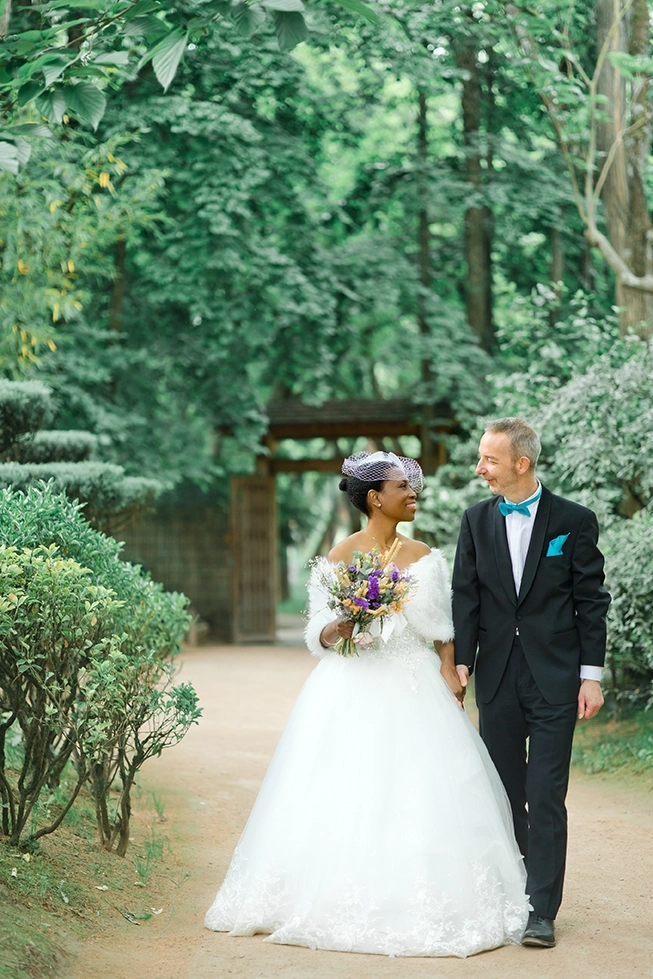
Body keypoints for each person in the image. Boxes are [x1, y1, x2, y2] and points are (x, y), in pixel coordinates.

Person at [206, 451, 529, 958]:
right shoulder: (339, 556)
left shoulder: (426, 556)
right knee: (343, 785)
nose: (413, 493)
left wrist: (450, 669)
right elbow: (318, 633)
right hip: (350, 683)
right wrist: (349, 620)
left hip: (413, 683)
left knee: (423, 787)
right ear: (376, 497)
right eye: (404, 487)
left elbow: (444, 626)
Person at [451, 418, 610, 949]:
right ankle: (512, 890)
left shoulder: (575, 521)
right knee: (504, 791)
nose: (480, 469)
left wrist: (591, 677)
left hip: (556, 680)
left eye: (489, 460)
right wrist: (463, 664)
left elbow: (591, 603)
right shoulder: (474, 521)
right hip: (496, 677)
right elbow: (465, 596)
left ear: (521, 463)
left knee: (545, 794)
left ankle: (542, 909)